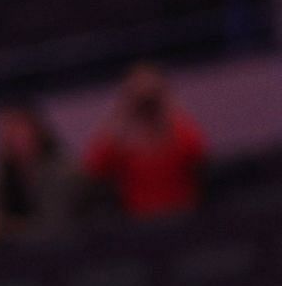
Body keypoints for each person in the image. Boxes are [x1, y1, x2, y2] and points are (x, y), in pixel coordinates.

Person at [80, 61, 208, 218]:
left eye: (152, 94)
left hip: (184, 217)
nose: (146, 101)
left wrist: (169, 109)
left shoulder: (178, 131)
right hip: (139, 225)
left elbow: (198, 153)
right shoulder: (122, 141)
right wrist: (121, 115)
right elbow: (93, 169)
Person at [0, 102, 85, 246]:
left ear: (37, 130)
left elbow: (55, 230)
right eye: (4, 130)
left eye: (16, 128)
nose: (9, 136)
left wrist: (6, 227)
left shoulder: (61, 172)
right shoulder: (8, 176)